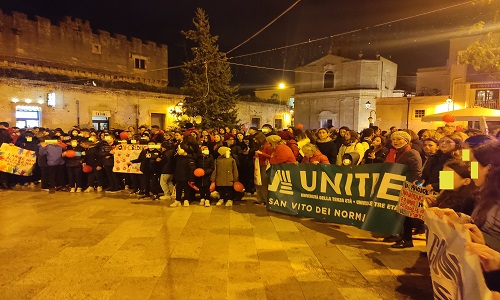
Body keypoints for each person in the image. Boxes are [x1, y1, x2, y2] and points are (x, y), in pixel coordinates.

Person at [384, 130, 423, 248]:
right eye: (393, 139)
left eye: (399, 139)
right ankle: (397, 234)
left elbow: (417, 172)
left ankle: (407, 239)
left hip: (407, 188)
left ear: (406, 141)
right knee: (397, 213)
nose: (395, 142)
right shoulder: (394, 152)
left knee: (406, 216)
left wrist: (411, 187)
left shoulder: (411, 153)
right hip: (396, 186)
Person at [170, 143, 197, 207]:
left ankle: (186, 200)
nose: (178, 150)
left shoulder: (190, 159)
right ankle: (177, 200)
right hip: (178, 177)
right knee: (178, 189)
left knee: (187, 190)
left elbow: (192, 170)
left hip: (186, 178)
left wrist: (191, 179)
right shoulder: (178, 158)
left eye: (179, 149)